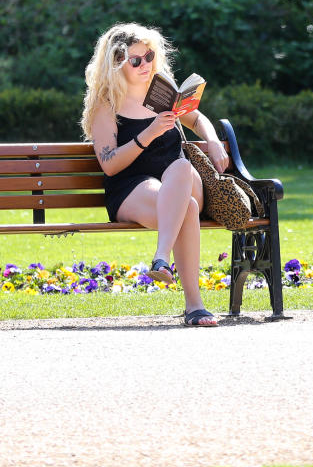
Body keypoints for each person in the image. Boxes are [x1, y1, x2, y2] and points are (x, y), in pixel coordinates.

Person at [81, 22, 229, 327]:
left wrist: (213, 141)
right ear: (116, 63)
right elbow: (109, 165)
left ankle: (162, 256)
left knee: (181, 167)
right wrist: (146, 135)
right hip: (132, 188)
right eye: (135, 60)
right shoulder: (106, 106)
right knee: (184, 207)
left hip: (179, 180)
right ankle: (195, 306)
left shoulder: (163, 94)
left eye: (149, 57)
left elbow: (197, 118)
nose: (145, 65)